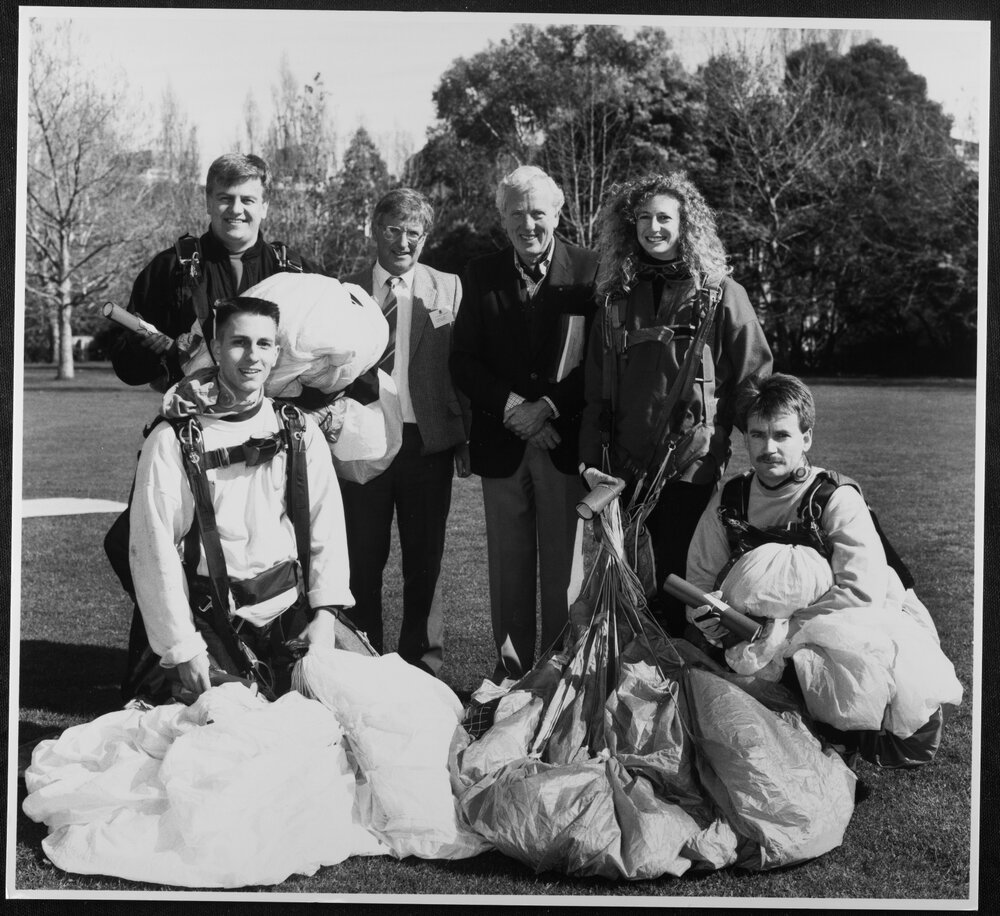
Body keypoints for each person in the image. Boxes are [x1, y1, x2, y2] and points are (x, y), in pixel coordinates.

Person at [684, 373, 961, 767]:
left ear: (806, 439)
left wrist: (782, 636)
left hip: (842, 625)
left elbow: (860, 593)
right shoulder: (729, 500)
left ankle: (836, 735)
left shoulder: (834, 498)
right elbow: (699, 578)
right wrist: (708, 615)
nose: (769, 448)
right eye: (758, 435)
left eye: (782, 435)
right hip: (753, 629)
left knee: (870, 694)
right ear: (745, 438)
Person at [129, 296, 354, 700]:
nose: (253, 356)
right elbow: (152, 548)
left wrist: (325, 616)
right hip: (211, 625)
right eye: (239, 342)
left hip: (293, 615)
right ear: (215, 348)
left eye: (264, 344)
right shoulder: (174, 439)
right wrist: (184, 648)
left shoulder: (298, 429)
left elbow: (328, 527)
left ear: (277, 353)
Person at [579, 171, 772, 635]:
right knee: (627, 589)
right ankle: (633, 690)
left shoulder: (722, 293)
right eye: (643, 218)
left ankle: (683, 691)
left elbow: (753, 379)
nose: (653, 227)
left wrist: (769, 444)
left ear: (686, 224)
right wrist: (591, 463)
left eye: (664, 217)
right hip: (622, 471)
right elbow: (595, 388)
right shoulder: (614, 300)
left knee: (682, 582)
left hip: (690, 466)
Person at [451, 165, 599, 681]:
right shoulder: (481, 274)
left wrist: (549, 408)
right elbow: (464, 361)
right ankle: (511, 677)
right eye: (517, 213)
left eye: (538, 212)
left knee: (564, 572)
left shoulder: (589, 269)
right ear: (502, 217)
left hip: (563, 441)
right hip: (504, 440)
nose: (528, 223)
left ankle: (559, 674)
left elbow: (598, 362)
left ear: (557, 213)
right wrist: (516, 408)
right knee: (508, 568)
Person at [338, 189, 470, 675]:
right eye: (393, 229)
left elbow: (463, 367)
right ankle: (359, 666)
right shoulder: (344, 290)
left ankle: (423, 670)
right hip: (361, 443)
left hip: (425, 444)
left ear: (425, 237)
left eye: (414, 233)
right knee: (359, 561)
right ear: (374, 228)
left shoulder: (450, 287)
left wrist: (464, 438)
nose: (403, 241)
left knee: (425, 565)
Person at [110, 153, 320, 390]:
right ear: (208, 202)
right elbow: (128, 369)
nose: (236, 210)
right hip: (195, 418)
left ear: (264, 207)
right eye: (225, 198)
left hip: (275, 421)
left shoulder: (299, 273)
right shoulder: (170, 269)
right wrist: (145, 349)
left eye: (247, 200)